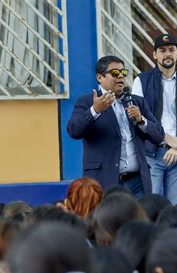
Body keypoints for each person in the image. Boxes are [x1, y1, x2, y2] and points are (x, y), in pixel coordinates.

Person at [67, 55, 164, 198]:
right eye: (114, 73)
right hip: (105, 180)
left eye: (123, 73)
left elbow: (159, 135)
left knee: (140, 219)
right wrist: (95, 110)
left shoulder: (136, 102)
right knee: (107, 220)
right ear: (100, 77)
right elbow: (73, 131)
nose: (120, 77)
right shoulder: (87, 102)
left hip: (138, 181)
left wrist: (141, 120)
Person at [132, 33, 177, 204]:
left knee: (176, 207)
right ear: (155, 54)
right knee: (151, 205)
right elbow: (136, 117)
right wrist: (166, 138)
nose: (167, 54)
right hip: (151, 152)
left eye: (172, 50)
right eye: (162, 50)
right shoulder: (141, 81)